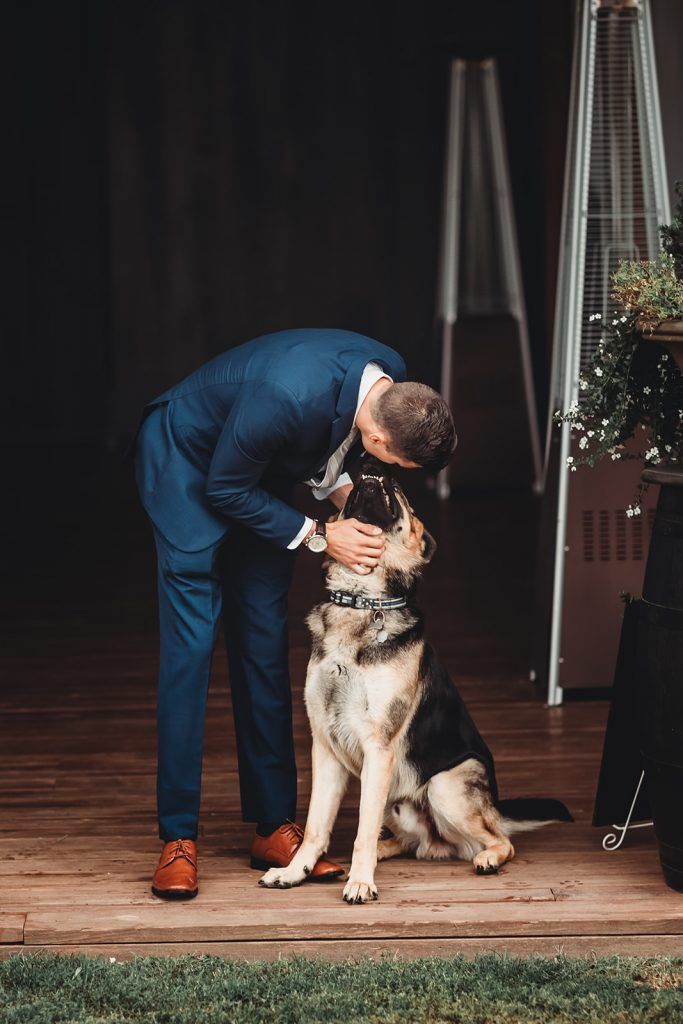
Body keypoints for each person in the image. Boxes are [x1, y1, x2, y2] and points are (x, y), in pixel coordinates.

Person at [134, 328, 456, 899]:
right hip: (189, 465)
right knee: (191, 651)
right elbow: (223, 486)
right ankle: (178, 836)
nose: (385, 468)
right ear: (380, 436)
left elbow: (322, 446)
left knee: (262, 640)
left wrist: (341, 498)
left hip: (256, 472)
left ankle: (273, 824)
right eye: (393, 461)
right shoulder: (286, 396)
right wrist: (320, 537)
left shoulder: (389, 378)